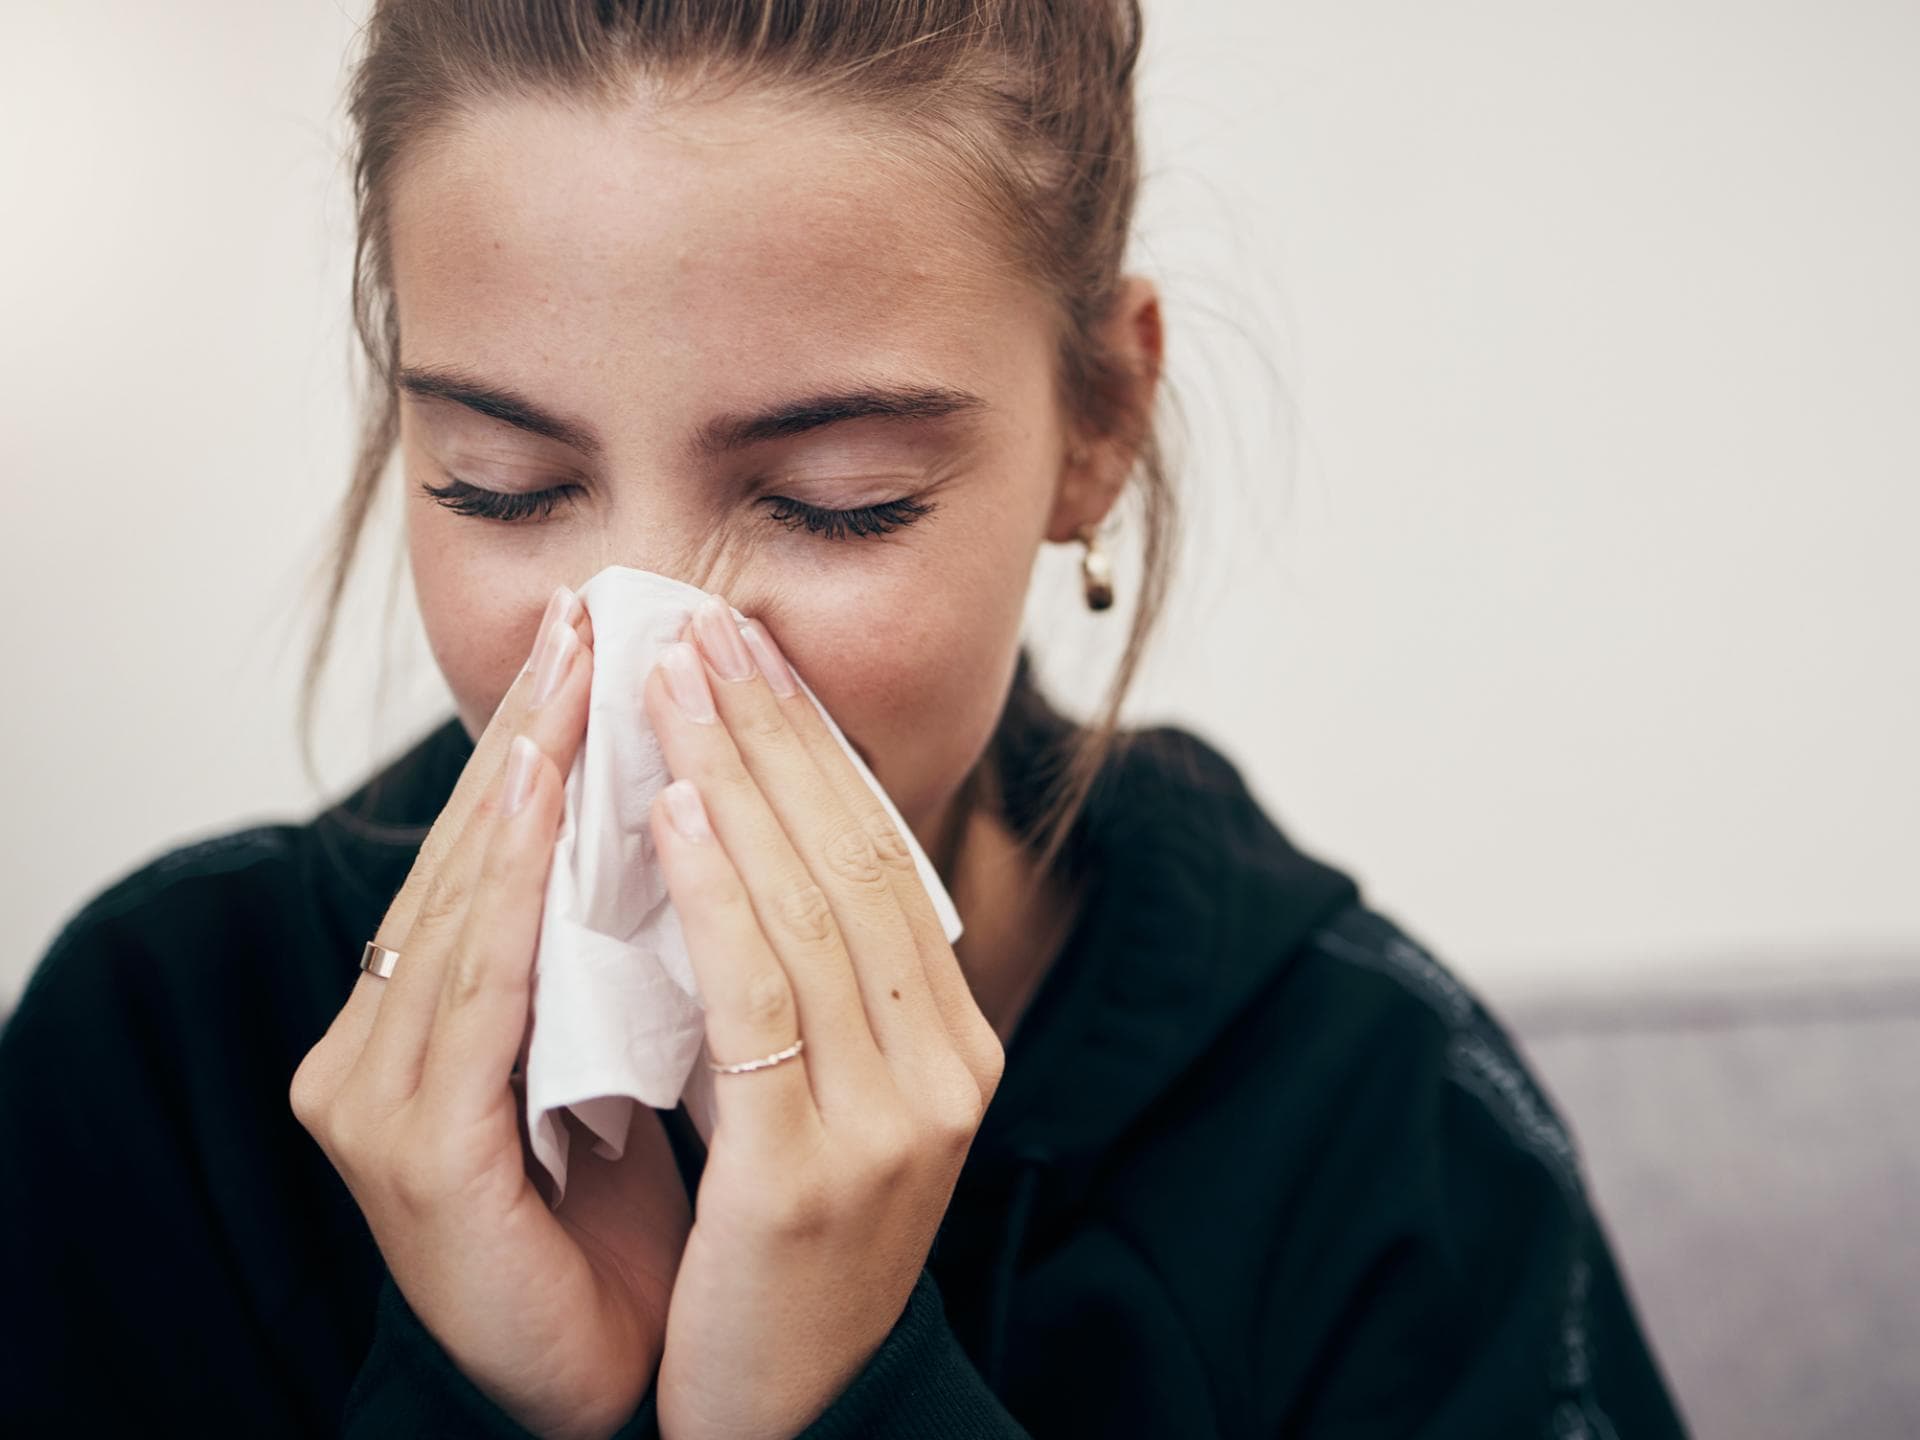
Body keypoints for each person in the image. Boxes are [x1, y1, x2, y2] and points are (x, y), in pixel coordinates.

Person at [0, 2, 1689, 1436]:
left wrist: (845, 1402)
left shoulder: (1377, 1136)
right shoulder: (158, 1067)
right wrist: (484, 1398)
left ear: (1099, 422)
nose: (651, 666)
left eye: (838, 500)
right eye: (501, 486)